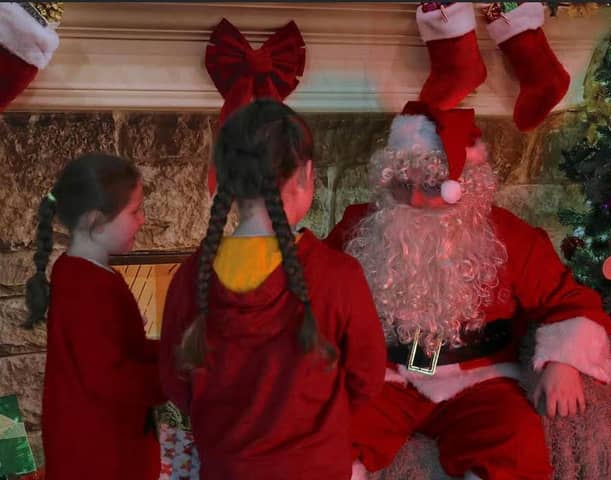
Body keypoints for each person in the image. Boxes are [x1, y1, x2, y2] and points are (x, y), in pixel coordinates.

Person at [325, 101, 611, 480]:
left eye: (430, 185)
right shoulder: (359, 228)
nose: (414, 200)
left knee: (514, 444)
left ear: (464, 185)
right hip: (383, 377)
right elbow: (316, 289)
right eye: (402, 183)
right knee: (323, 440)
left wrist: (563, 363)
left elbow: (569, 300)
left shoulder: (509, 237)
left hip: (481, 383)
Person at [159, 98, 386, 480]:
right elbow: (367, 379)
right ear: (305, 174)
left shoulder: (189, 276)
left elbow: (176, 385)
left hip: (227, 469)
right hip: (316, 469)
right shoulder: (339, 275)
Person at [25, 153, 165, 480]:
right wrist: (172, 373)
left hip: (104, 452)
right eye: (134, 211)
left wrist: (171, 350)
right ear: (93, 220)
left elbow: (123, 351)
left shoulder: (89, 275)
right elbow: (109, 378)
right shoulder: (85, 286)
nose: (142, 220)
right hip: (101, 460)